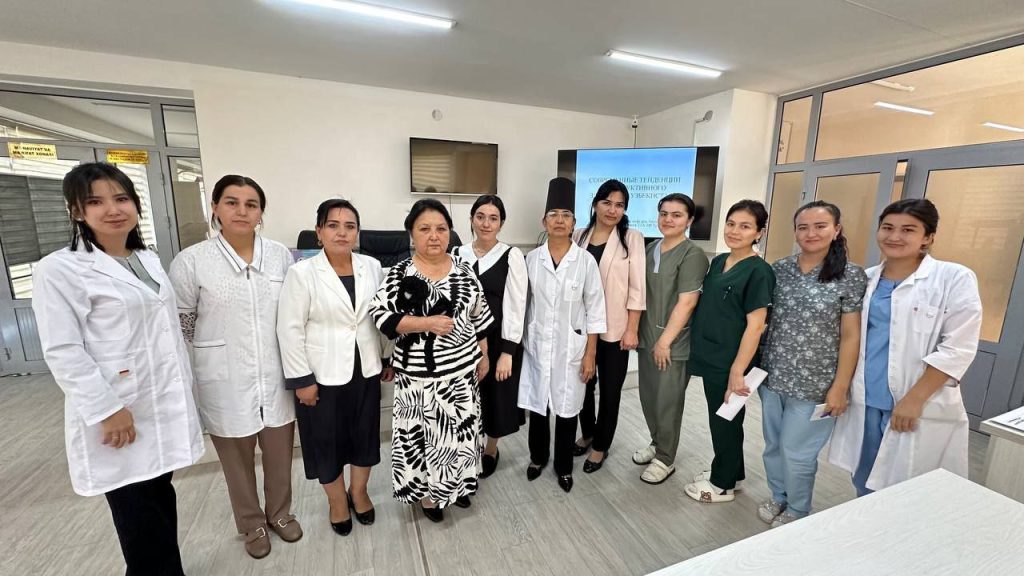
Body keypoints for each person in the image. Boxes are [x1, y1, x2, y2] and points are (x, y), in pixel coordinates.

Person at [32, 162, 204, 576]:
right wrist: (107, 409)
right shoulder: (60, 268)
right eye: (96, 201)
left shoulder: (146, 259)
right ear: (76, 211)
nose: (112, 209)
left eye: (121, 198)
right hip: (118, 408)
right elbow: (63, 350)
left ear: (135, 205)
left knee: (158, 499)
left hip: (157, 402)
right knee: (137, 512)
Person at [169, 175, 301, 558]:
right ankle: (251, 523)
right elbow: (183, 323)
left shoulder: (279, 255)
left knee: (279, 454)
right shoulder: (192, 261)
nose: (242, 211)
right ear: (215, 208)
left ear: (261, 213)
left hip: (275, 375)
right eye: (231, 202)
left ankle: (280, 513)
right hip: (224, 378)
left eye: (251, 204)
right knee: (236, 460)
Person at [829, 199, 982, 495]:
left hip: (918, 399)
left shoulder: (953, 278)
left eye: (908, 230)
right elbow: (850, 337)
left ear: (928, 237)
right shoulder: (867, 279)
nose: (895, 236)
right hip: (866, 397)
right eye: (888, 228)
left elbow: (957, 348)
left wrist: (914, 399)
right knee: (865, 477)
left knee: (910, 486)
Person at [369, 199, 492, 523]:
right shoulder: (400, 273)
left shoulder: (464, 271)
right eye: (425, 229)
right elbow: (381, 317)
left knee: (460, 435)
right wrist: (426, 323)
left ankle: (456, 487)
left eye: (441, 228)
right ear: (412, 233)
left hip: (461, 375)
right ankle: (428, 497)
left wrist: (484, 355)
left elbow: (479, 318)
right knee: (424, 442)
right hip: (418, 381)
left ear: (450, 232)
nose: (434, 236)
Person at [277, 198, 393, 536]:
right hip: (321, 375)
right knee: (325, 442)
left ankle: (359, 492)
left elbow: (381, 316)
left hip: (365, 368)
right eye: (333, 225)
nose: (342, 232)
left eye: (349, 226)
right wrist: (302, 379)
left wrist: (386, 357)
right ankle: (337, 502)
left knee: (364, 436)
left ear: (357, 232)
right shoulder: (301, 273)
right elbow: (290, 328)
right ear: (319, 231)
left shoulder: (372, 266)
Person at [757, 201, 867, 527]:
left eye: (820, 226)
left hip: (817, 384)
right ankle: (779, 495)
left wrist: (840, 387)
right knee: (774, 445)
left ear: (836, 230)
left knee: (798, 452)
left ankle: (798, 509)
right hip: (773, 376)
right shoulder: (780, 269)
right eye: (803, 227)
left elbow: (851, 336)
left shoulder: (850, 275)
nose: (811, 233)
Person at [684, 199, 775, 504]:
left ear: (759, 233)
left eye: (745, 226)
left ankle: (722, 485)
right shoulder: (720, 261)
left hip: (732, 361)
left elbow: (756, 326)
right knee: (722, 418)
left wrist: (737, 371)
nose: (735, 231)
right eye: (731, 223)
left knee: (726, 421)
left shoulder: (759, 271)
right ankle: (732, 474)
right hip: (711, 355)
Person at [519, 177, 606, 493]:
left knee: (568, 407)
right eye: (553, 214)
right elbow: (522, 305)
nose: (559, 220)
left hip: (572, 348)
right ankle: (537, 458)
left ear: (574, 223)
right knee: (538, 405)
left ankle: (563, 466)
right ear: (544, 221)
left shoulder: (585, 261)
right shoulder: (531, 260)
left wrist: (591, 354)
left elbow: (596, 309)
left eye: (566, 215)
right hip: (537, 345)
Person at [633, 193, 710, 484]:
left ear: (689, 220)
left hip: (672, 343)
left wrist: (665, 341)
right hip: (646, 337)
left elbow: (687, 303)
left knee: (667, 401)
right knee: (648, 396)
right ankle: (656, 442)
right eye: (664, 213)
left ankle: (665, 458)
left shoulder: (692, 255)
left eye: (677, 215)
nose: (668, 219)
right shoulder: (651, 248)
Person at [572, 179, 646, 473]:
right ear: (595, 204)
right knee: (583, 385)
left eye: (619, 205)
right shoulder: (579, 236)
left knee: (611, 390)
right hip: (581, 327)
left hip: (615, 328)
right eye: (607, 203)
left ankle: (601, 446)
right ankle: (588, 433)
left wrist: (632, 328)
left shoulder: (632, 237)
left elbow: (637, 287)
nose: (612, 210)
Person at [455, 195, 528, 478]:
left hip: (498, 341)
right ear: (472, 219)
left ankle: (491, 449)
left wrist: (508, 352)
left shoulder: (511, 255)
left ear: (501, 223)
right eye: (480, 217)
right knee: (465, 399)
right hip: (462, 341)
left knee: (496, 399)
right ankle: (466, 449)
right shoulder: (457, 254)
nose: (486, 223)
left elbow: (517, 305)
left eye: (493, 218)